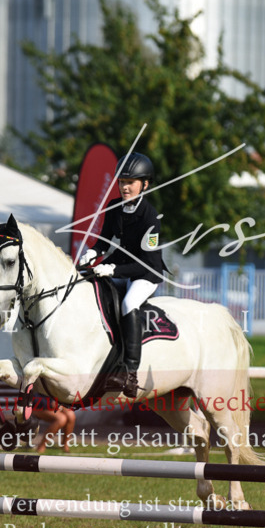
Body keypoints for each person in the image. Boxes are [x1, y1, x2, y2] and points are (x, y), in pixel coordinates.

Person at [77, 152, 168, 397]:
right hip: (121, 264)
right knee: (90, 286)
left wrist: (113, 268)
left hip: (146, 273)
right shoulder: (113, 207)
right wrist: (92, 253)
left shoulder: (151, 217)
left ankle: (130, 372)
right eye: (122, 182)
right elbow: (104, 242)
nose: (125, 187)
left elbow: (146, 263)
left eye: (130, 182)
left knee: (128, 302)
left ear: (145, 184)